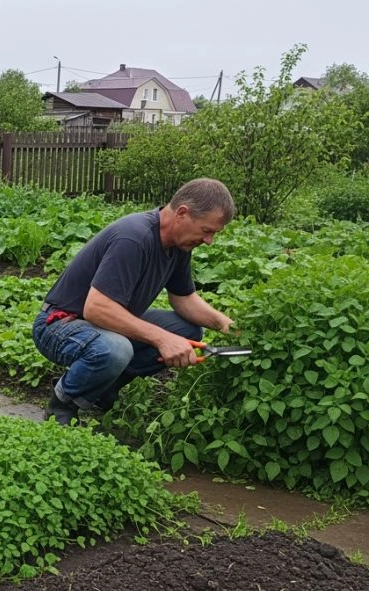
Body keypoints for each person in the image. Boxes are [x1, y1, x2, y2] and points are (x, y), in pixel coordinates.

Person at [32, 177, 237, 425]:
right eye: (207, 231)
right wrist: (162, 339)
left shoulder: (178, 245)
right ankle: (62, 406)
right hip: (60, 325)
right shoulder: (134, 237)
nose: (209, 241)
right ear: (182, 213)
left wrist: (228, 326)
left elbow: (184, 299)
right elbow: (96, 309)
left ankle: (101, 389)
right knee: (116, 349)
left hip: (104, 326)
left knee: (187, 331)